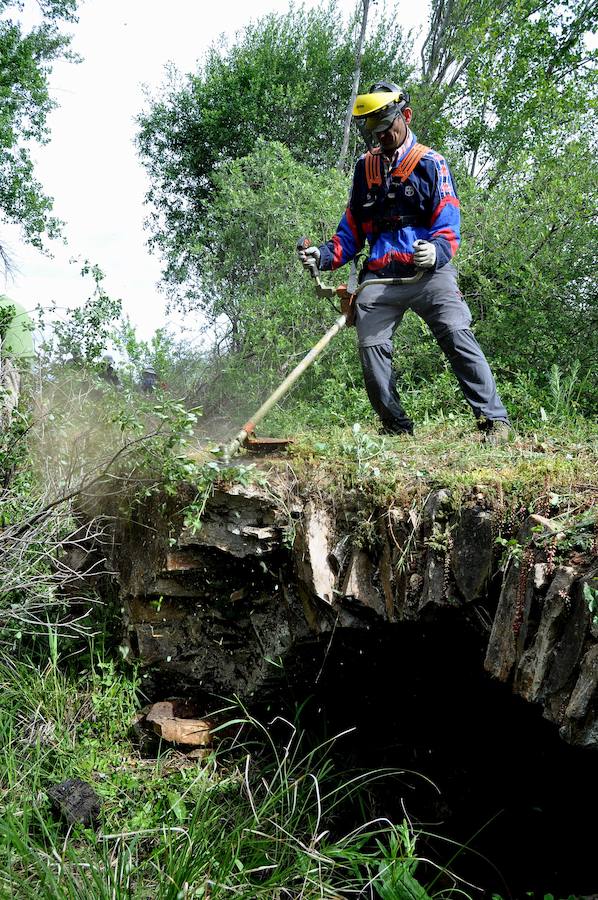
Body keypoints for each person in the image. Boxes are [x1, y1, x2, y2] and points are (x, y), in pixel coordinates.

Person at [297, 81, 510, 443]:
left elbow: (448, 221)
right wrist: (324, 254)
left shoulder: (431, 163)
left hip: (428, 273)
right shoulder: (365, 169)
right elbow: (351, 232)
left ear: (405, 116)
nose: (379, 139)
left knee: (457, 332)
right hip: (379, 279)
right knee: (370, 349)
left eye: (385, 129)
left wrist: (437, 251)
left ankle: (494, 420)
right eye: (373, 133)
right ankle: (397, 428)